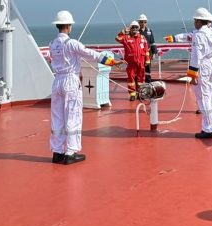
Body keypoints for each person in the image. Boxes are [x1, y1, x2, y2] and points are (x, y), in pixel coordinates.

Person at [49, 10, 120, 165]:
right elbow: (90, 54)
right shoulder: (72, 43)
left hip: (57, 81)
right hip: (70, 81)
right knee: (72, 115)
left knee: (57, 117)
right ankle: (70, 152)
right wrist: (111, 61)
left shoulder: (52, 44)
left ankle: (57, 152)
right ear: (68, 25)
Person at [167, 8, 212, 138]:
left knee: (204, 97)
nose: (194, 23)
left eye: (195, 20)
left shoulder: (199, 35)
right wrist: (174, 38)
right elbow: (189, 35)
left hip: (203, 66)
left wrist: (192, 75)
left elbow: (196, 56)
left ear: (198, 21)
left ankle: (209, 130)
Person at [115, 21, 149, 99]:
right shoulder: (126, 38)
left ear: (138, 28)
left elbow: (146, 49)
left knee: (141, 78)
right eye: (133, 27)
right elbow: (117, 38)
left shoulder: (142, 38)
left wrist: (147, 60)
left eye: (136, 27)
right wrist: (123, 31)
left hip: (141, 61)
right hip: (130, 62)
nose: (134, 29)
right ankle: (132, 94)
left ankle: (141, 93)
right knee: (131, 78)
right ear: (130, 28)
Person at [137, 14, 156, 80]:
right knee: (140, 67)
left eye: (144, 22)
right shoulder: (136, 31)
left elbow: (152, 42)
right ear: (139, 22)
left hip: (148, 53)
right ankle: (140, 81)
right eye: (141, 22)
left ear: (146, 22)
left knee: (147, 67)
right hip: (139, 53)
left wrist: (154, 53)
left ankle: (148, 81)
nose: (143, 23)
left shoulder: (149, 31)